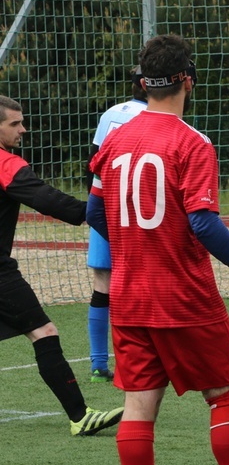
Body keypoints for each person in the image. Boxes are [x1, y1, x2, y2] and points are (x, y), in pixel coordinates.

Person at [87, 34, 229, 465]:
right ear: (187, 81)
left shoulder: (115, 138)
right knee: (226, 395)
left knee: (139, 404)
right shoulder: (192, 142)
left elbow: (94, 213)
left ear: (142, 82)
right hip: (183, 295)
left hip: (129, 294)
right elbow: (202, 222)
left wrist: (135, 243)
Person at [0, 95, 124, 436]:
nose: (23, 129)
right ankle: (81, 416)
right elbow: (45, 199)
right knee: (44, 332)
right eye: (14, 124)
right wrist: (94, 212)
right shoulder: (6, 164)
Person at [85, 67, 148, 383]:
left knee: (103, 283)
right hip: (138, 213)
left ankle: (98, 364)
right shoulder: (158, 116)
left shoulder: (110, 113)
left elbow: (93, 161)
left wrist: (93, 205)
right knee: (142, 284)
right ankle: (137, 362)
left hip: (103, 204)